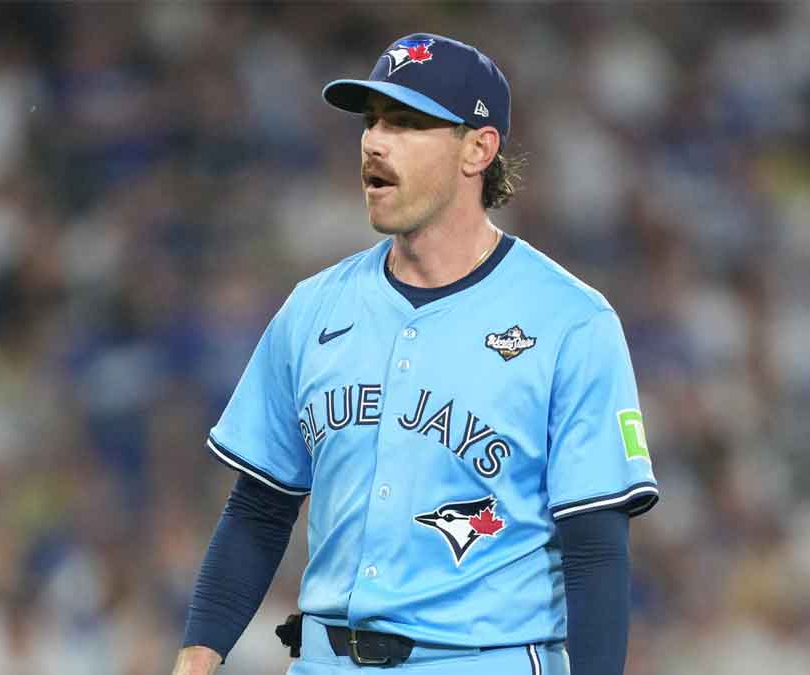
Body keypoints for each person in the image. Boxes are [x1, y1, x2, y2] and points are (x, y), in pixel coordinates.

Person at [171, 33, 658, 675]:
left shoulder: (570, 322)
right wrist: (195, 660)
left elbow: (595, 550)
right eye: (371, 121)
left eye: (404, 123)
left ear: (478, 148)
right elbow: (258, 510)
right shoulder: (313, 308)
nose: (374, 142)